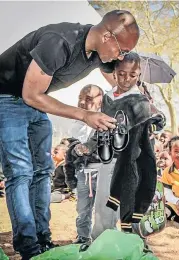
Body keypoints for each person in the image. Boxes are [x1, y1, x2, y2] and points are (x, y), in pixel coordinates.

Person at [0, 10, 139, 260]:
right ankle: (28, 245)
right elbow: (31, 95)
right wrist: (84, 115)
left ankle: (43, 239)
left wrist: (140, 105)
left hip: (33, 101)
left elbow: (119, 86)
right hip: (7, 97)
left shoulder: (100, 52)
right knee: (20, 171)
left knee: (43, 171)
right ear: (107, 36)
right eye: (122, 50)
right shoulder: (59, 41)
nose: (121, 57)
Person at [71, 52, 163, 240]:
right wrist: (89, 144)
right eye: (121, 74)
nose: (126, 79)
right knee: (104, 204)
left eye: (132, 75)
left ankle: (136, 244)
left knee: (130, 205)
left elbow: (158, 123)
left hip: (131, 161)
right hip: (108, 158)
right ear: (114, 72)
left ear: (139, 74)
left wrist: (154, 119)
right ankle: (102, 244)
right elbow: (101, 127)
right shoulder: (107, 98)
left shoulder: (141, 100)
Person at [65, 84, 103, 245]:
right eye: (79, 98)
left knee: (103, 210)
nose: (81, 102)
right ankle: (82, 237)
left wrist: (89, 148)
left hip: (102, 173)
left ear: (100, 101)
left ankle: (102, 238)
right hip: (82, 173)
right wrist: (76, 149)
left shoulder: (106, 121)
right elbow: (70, 152)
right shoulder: (76, 123)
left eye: (87, 99)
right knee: (82, 209)